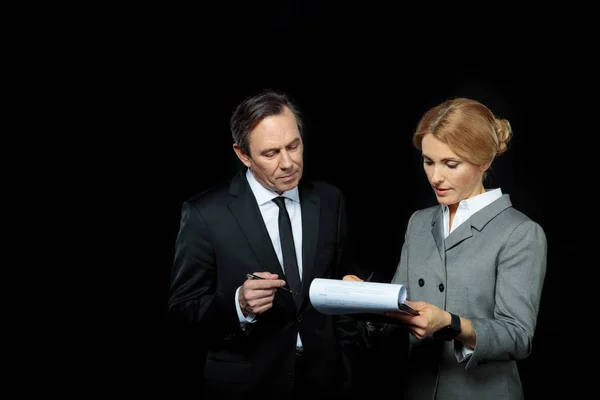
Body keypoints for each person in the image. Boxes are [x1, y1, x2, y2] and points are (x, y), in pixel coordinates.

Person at [345, 97, 547, 399]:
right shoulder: (419, 223)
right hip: (418, 388)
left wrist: (451, 324)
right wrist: (369, 303)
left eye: (451, 164)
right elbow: (401, 308)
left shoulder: (519, 232)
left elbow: (518, 337)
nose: (435, 177)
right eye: (428, 161)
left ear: (485, 161)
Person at [167, 89, 360, 399]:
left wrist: (348, 366)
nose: (288, 163)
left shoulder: (330, 200)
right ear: (243, 155)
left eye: (294, 146)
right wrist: (239, 304)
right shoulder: (205, 214)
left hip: (326, 381)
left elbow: (341, 288)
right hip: (247, 385)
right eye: (271, 153)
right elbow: (182, 309)